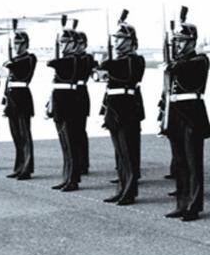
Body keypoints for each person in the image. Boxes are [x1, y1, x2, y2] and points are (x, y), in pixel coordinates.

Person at [162, 12, 209, 221]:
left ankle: (194, 205)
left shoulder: (200, 60)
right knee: (180, 163)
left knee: (193, 164)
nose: (178, 45)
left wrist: (173, 63)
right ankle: (181, 203)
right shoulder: (178, 62)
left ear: (192, 42)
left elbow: (186, 69)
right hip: (176, 116)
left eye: (182, 41)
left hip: (192, 116)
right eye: (176, 41)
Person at [98, 20, 145, 205]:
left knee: (129, 153)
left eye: (120, 38)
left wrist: (109, 64)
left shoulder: (135, 59)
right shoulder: (117, 61)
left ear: (130, 40)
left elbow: (127, 73)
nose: (116, 41)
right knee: (120, 154)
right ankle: (121, 188)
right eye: (116, 38)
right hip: (114, 109)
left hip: (127, 109)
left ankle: (130, 191)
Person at [47, 29, 81, 191]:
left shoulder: (74, 59)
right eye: (60, 42)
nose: (62, 45)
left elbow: (52, 63)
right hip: (60, 104)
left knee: (71, 143)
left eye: (65, 42)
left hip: (69, 105)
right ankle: (66, 177)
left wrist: (56, 57)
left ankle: (73, 179)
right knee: (65, 145)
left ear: (73, 44)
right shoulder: (64, 60)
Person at [3, 31, 36, 179]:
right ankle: (19, 166)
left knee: (24, 135)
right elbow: (9, 79)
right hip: (12, 98)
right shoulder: (15, 60)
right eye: (15, 43)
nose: (17, 46)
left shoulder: (30, 58)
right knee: (16, 135)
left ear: (26, 44)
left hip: (22, 98)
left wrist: (11, 63)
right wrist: (5, 96)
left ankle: (27, 168)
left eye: (19, 43)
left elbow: (22, 71)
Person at [74, 31, 96, 175]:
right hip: (71, 94)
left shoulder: (87, 58)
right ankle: (76, 162)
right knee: (72, 131)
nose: (78, 46)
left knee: (80, 130)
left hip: (80, 94)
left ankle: (83, 163)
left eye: (80, 43)